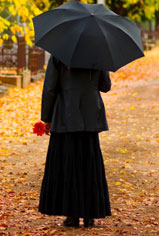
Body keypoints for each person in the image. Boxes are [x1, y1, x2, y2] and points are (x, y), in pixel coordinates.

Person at [38, 55, 112, 228]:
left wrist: (47, 117)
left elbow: (50, 88)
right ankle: (89, 214)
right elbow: (105, 86)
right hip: (90, 116)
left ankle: (71, 214)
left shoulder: (59, 54)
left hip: (66, 115)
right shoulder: (98, 53)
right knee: (88, 164)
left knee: (68, 165)